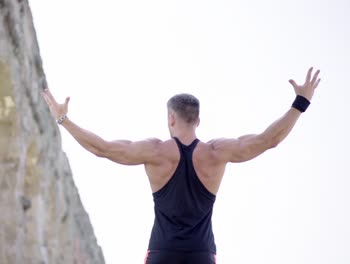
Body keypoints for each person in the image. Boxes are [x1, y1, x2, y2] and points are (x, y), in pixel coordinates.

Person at [41, 68, 321, 264]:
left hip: (163, 252)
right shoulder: (216, 152)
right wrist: (300, 102)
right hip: (201, 254)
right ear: (197, 120)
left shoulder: (155, 151)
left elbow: (102, 147)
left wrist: (63, 120)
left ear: (171, 119)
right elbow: (267, 140)